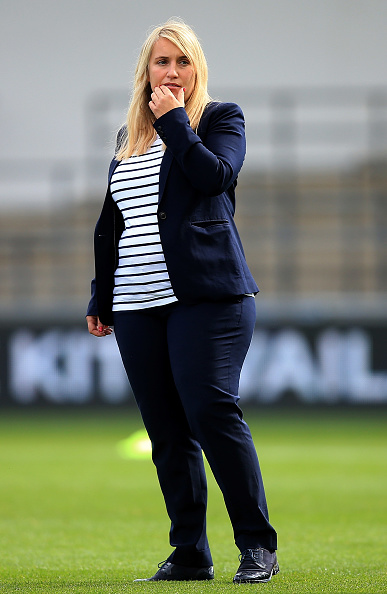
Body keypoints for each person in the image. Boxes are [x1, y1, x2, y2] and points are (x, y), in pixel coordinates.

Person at [86, 18, 278, 584]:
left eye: (182, 62)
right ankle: (190, 551)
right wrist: (102, 293)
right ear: (146, 70)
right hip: (136, 303)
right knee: (166, 431)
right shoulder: (128, 136)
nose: (172, 72)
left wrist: (174, 122)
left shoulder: (220, 119)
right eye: (161, 62)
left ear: (197, 70)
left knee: (211, 412)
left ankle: (257, 545)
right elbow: (116, 222)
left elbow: (216, 177)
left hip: (208, 298)